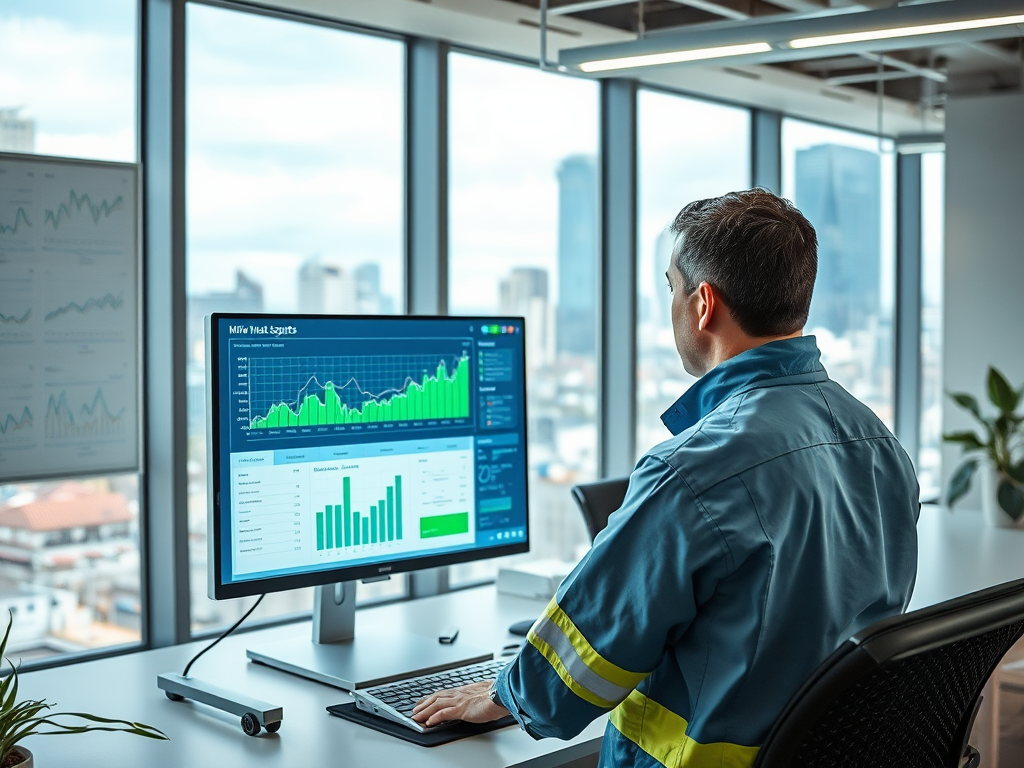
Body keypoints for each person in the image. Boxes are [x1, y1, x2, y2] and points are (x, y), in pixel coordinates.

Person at [412, 188, 920, 768]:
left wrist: (505, 693)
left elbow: (573, 674)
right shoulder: (880, 443)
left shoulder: (695, 469)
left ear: (703, 304)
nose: (672, 303)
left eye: (671, 286)